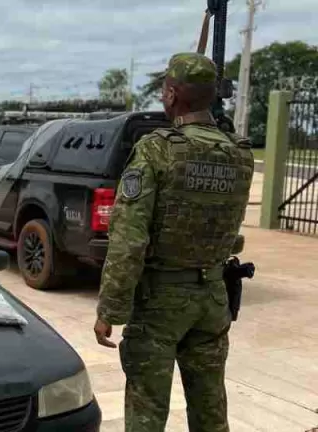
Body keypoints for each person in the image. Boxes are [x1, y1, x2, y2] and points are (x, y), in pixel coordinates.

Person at [93, 52, 254, 432]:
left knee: (148, 411)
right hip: (213, 298)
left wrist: (109, 310)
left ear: (170, 94)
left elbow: (129, 239)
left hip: (160, 303)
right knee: (211, 408)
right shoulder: (239, 153)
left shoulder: (157, 149)